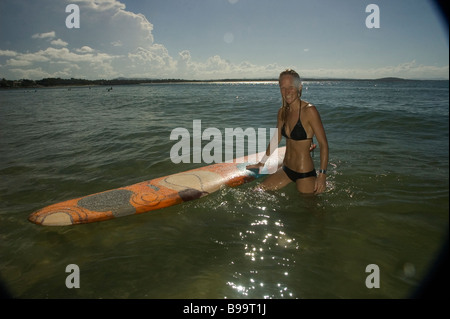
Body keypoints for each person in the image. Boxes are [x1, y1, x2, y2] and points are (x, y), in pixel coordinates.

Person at [246, 69, 329, 194]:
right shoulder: (282, 112)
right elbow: (276, 139)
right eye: (283, 88)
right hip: (286, 169)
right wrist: (261, 163)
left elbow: (323, 144)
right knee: (255, 191)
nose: (287, 92)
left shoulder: (309, 111)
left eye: (290, 87)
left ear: (299, 87)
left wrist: (322, 175)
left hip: (304, 172)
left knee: (310, 210)